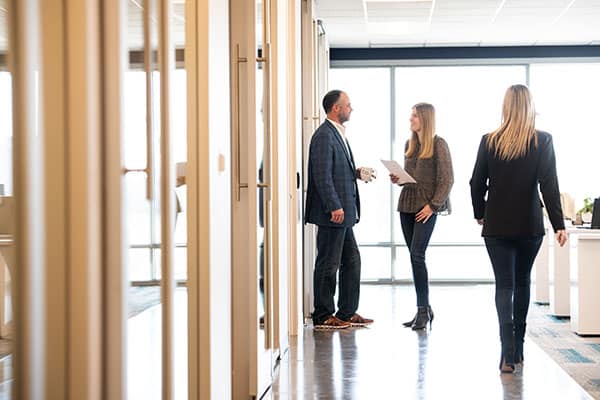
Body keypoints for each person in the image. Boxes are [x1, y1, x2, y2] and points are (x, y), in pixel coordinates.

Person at [470, 84, 567, 373]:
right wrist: (559, 223)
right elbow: (549, 186)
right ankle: (520, 347)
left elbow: (476, 182)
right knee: (523, 282)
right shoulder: (543, 141)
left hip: (497, 224)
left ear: (506, 107)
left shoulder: (490, 141)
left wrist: (480, 213)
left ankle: (506, 353)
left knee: (504, 285)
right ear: (530, 107)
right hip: (529, 224)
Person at [305, 89, 375, 330]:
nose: (351, 108)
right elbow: (322, 175)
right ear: (336, 108)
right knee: (328, 263)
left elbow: (335, 170)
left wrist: (357, 173)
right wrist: (334, 205)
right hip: (333, 213)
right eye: (348, 105)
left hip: (344, 213)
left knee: (351, 260)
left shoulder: (338, 134)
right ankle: (323, 315)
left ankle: (346, 312)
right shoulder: (324, 135)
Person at [390, 103, 453, 330]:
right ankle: (423, 309)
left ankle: (423, 310)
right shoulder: (410, 145)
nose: (410, 119)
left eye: (415, 116)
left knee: (417, 255)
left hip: (426, 208)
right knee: (414, 256)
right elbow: (412, 178)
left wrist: (433, 206)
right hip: (407, 204)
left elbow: (447, 180)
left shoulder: (439, 144)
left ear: (425, 119)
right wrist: (398, 178)